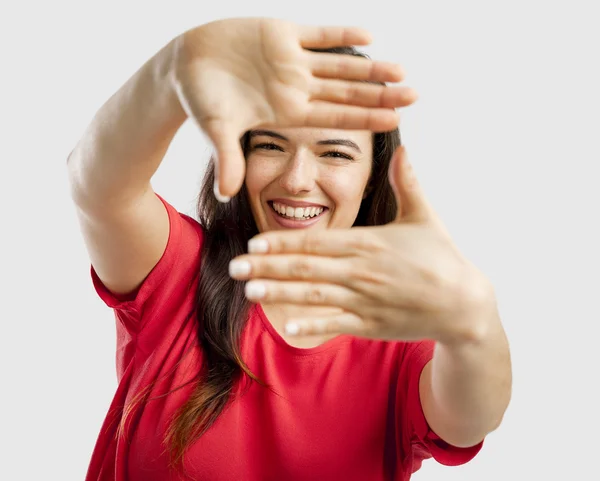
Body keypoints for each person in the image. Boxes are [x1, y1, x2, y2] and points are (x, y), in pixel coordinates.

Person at [67, 17, 512, 481]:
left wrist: (475, 322)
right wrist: (170, 71)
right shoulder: (179, 272)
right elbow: (98, 187)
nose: (297, 180)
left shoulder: (400, 338)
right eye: (271, 145)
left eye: (335, 153)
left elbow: (469, 420)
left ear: (371, 179)